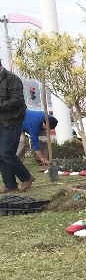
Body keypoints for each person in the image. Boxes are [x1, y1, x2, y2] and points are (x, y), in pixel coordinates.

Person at [0, 59, 34, 193]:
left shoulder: (12, 79)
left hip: (12, 121)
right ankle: (10, 185)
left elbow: (17, 100)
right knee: (0, 155)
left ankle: (26, 178)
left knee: (6, 153)